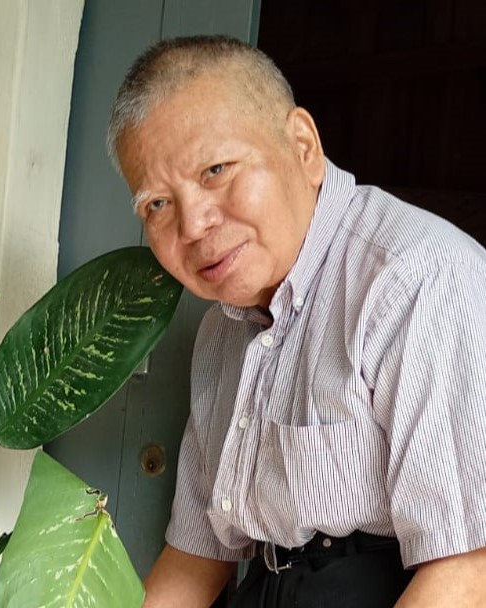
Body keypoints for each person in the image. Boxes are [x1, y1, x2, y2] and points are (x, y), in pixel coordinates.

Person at [106, 35, 486, 607]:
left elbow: (469, 569)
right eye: (157, 204)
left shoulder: (417, 278)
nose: (193, 225)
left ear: (303, 146)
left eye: (215, 170)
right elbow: (196, 555)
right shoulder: (221, 333)